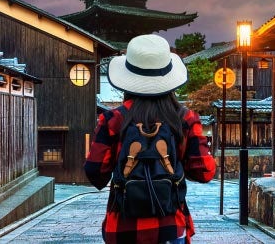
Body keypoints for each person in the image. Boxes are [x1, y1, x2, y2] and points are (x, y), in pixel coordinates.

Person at [84, 34, 217, 244]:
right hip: (170, 226)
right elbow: (205, 172)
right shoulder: (185, 119)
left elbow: (95, 173)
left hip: (122, 228)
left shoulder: (112, 119)